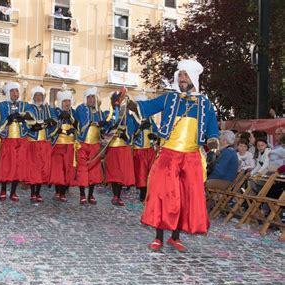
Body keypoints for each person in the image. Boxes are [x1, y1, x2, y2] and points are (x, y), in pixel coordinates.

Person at [127, 59, 220, 252]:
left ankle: (175, 237)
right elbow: (148, 107)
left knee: (184, 197)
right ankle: (159, 237)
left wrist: (212, 140)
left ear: (193, 78)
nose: (181, 78)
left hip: (191, 157)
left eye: (185, 75)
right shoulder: (169, 98)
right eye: (180, 75)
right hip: (168, 154)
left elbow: (212, 129)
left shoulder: (205, 104)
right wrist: (134, 106)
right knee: (162, 195)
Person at [0, 82, 31, 201]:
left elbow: (31, 119)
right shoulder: (2, 105)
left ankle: (13, 192)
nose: (15, 93)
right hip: (8, 140)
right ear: (8, 93)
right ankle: (3, 190)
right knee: (6, 165)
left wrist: (24, 118)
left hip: (21, 140)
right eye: (12, 91)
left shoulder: (25, 105)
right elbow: (0, 121)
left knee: (18, 166)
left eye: (16, 91)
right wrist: (8, 119)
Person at [74, 87, 108, 205]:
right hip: (83, 144)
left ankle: (91, 195)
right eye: (88, 97)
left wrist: (105, 125)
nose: (91, 99)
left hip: (95, 144)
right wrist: (96, 123)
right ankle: (82, 195)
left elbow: (104, 127)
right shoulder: (81, 108)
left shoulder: (100, 112)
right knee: (82, 169)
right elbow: (84, 121)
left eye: (93, 97)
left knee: (94, 170)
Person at [24, 86, 57, 202]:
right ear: (33, 97)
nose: (38, 97)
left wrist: (50, 122)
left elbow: (54, 121)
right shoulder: (29, 108)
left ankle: (38, 192)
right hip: (33, 142)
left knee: (43, 167)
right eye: (36, 95)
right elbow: (28, 123)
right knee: (34, 168)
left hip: (45, 143)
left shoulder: (48, 109)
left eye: (40, 95)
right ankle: (33, 193)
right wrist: (40, 124)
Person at [104, 92, 136, 206]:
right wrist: (107, 127)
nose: (117, 103)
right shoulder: (108, 115)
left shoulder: (128, 116)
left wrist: (126, 134)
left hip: (123, 147)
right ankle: (115, 196)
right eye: (115, 101)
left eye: (119, 100)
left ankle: (118, 196)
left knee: (122, 172)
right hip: (112, 147)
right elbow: (103, 130)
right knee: (114, 172)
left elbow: (132, 130)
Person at [49, 89, 77, 202]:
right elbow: (51, 125)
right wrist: (58, 126)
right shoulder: (54, 111)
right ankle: (57, 191)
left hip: (70, 145)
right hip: (58, 144)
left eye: (68, 101)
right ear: (60, 102)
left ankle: (63, 192)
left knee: (68, 168)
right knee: (58, 169)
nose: (67, 103)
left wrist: (73, 128)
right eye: (65, 101)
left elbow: (78, 126)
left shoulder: (73, 113)